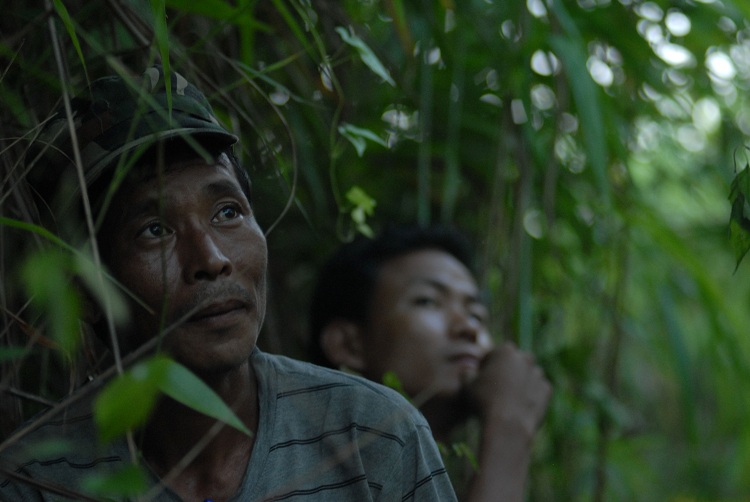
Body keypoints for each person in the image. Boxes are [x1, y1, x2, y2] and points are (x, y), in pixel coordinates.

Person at [0, 66, 457, 501]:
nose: (212, 260)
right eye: (154, 230)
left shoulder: (373, 436)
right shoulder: (38, 479)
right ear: (88, 291)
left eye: (227, 212)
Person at [309, 225, 552, 501]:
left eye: (476, 314)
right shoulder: (303, 476)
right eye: (428, 301)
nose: (468, 328)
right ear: (349, 344)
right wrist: (509, 431)